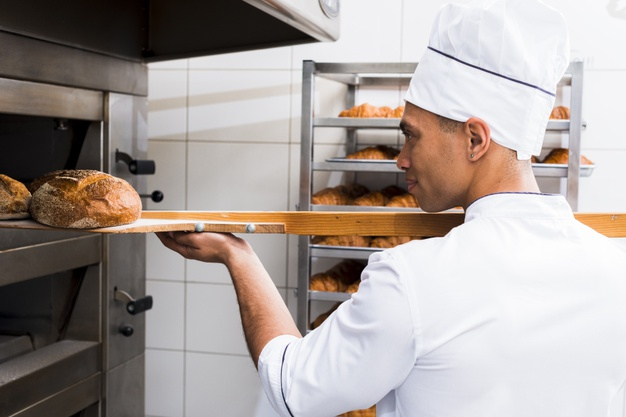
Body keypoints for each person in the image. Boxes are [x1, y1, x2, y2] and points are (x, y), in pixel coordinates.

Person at [156, 0, 626, 416]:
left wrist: (237, 256)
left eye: (410, 135)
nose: (401, 158)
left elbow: (294, 388)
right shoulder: (614, 269)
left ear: (476, 139)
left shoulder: (415, 278)